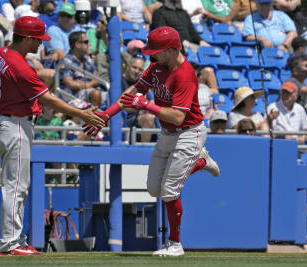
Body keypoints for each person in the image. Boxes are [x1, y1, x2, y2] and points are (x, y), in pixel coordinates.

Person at [84, 26, 220, 256]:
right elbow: (133, 92)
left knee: (169, 191)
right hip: (167, 134)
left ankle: (175, 244)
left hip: (189, 133)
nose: (151, 55)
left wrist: (147, 105)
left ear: (171, 50)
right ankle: (200, 162)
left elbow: (178, 116)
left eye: (156, 51)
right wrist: (106, 115)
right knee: (154, 189)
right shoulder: (157, 67)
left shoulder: (185, 75)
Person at [0, 16, 104, 255]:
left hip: (6, 119)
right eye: (38, 39)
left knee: (17, 185)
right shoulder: (20, 66)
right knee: (16, 187)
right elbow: (48, 99)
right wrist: (82, 114)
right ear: (27, 38)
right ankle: (10, 242)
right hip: (15, 124)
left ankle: (15, 240)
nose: (42, 44)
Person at [61, 31, 106, 108]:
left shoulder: (87, 58)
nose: (89, 44)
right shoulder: (67, 61)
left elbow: (96, 76)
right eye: (86, 42)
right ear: (77, 44)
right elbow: (70, 83)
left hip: (93, 90)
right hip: (75, 95)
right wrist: (91, 84)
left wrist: (91, 84)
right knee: (96, 94)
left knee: (116, 95)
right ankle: (94, 119)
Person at [122, 56, 156, 142]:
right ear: (128, 66)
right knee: (148, 119)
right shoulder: (118, 82)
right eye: (134, 67)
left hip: (141, 117)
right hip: (125, 118)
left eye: (140, 70)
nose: (137, 71)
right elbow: (121, 105)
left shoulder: (143, 84)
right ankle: (144, 151)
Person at [286, 54, 307, 126]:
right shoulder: (291, 82)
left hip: (301, 117)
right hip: (290, 117)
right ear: (295, 71)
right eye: (305, 66)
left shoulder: (302, 83)